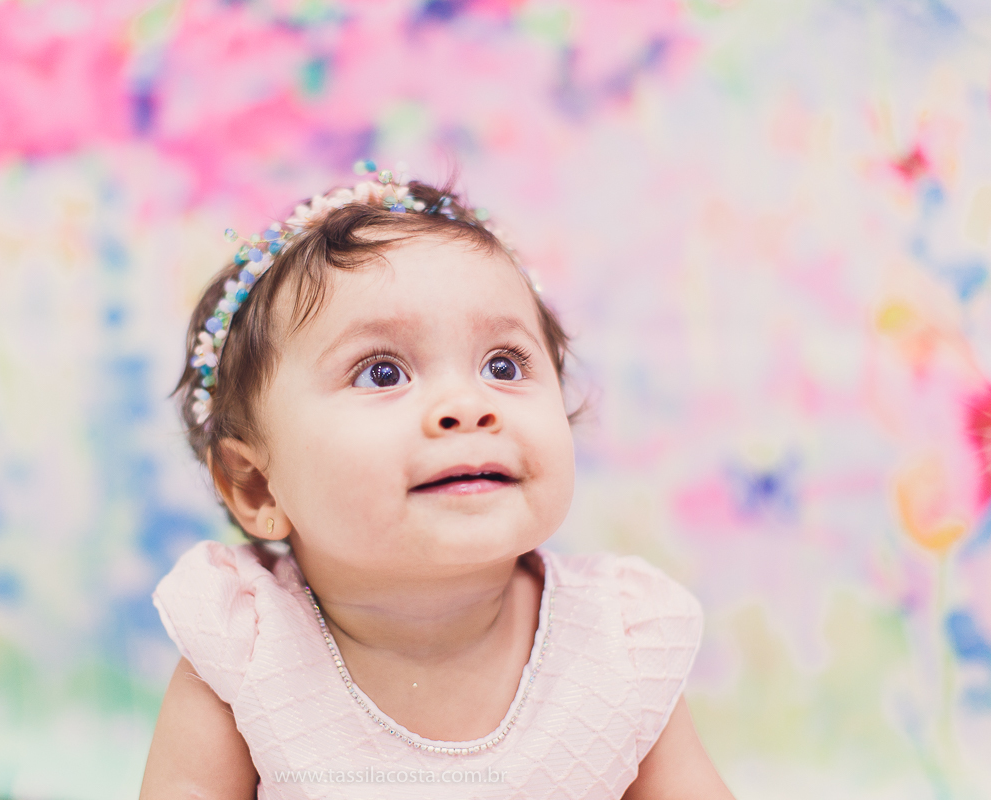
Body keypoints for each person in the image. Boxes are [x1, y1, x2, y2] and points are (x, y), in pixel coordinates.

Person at [139, 165, 734, 799]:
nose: (468, 404)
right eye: (382, 373)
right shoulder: (248, 650)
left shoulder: (620, 642)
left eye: (503, 365)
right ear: (258, 487)